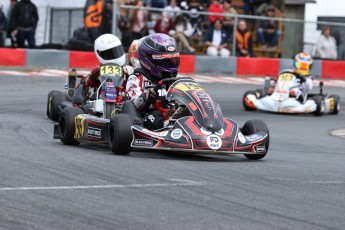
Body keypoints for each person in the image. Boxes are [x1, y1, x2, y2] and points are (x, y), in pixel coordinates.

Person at [125, 33, 180, 130]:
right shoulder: (136, 78)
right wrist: (146, 97)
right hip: (144, 115)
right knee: (156, 118)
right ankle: (169, 128)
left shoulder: (170, 80)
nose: (169, 65)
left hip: (168, 112)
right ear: (148, 60)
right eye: (163, 61)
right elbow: (133, 105)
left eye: (172, 60)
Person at [74, 34, 133, 103]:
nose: (114, 56)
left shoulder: (128, 71)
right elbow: (88, 83)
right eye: (109, 54)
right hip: (99, 102)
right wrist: (82, 85)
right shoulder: (97, 71)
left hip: (123, 101)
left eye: (117, 51)